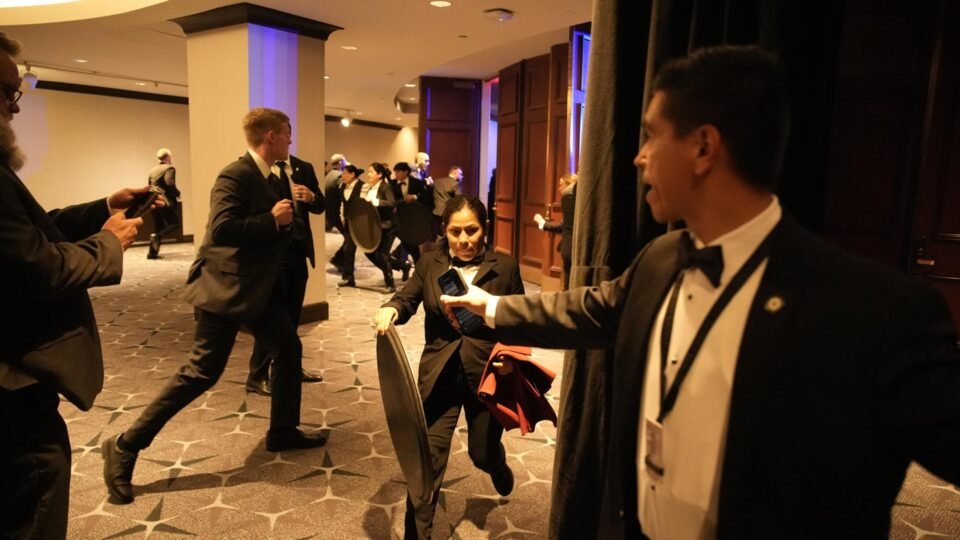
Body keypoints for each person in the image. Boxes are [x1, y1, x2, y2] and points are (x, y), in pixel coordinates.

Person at [441, 45, 960, 538]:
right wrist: (493, 306)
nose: (638, 158)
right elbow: (595, 309)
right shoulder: (661, 258)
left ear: (704, 148)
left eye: (651, 136)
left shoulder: (876, 313)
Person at [102, 107, 327, 506]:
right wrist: (270, 219)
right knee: (200, 373)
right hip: (225, 288)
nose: (291, 141)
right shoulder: (235, 174)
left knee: (289, 349)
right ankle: (124, 445)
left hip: (259, 289)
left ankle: (282, 430)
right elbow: (222, 229)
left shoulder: (274, 175)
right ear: (271, 136)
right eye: (287, 134)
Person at [0, 31, 146, 539]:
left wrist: (102, 208)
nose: (15, 107)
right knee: (35, 497)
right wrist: (109, 243)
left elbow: (29, 230)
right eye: (7, 92)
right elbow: (35, 265)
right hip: (11, 387)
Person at [376, 195, 524, 540]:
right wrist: (391, 308)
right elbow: (407, 298)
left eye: (472, 230)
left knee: (481, 452)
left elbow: (518, 321)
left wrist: (510, 359)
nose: (464, 240)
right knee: (426, 462)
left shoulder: (506, 268)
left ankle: (496, 464)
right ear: (444, 230)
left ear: (485, 229)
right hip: (440, 374)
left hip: (486, 375)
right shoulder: (430, 263)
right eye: (455, 231)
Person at [245, 154, 326, 396]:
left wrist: (312, 197)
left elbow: (321, 205)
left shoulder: (303, 167)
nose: (289, 140)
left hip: (298, 250)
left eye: (290, 136)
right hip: (272, 253)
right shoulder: (257, 168)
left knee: (292, 314)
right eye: (285, 136)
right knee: (273, 317)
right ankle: (257, 375)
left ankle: (291, 366)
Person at [534, 173, 578, 289]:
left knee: (568, 286)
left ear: (569, 184)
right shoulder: (576, 199)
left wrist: (542, 223)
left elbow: (565, 227)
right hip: (574, 249)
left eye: (561, 185)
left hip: (570, 249)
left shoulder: (569, 198)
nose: (559, 189)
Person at [390, 161, 431, 280]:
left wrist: (415, 197)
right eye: (395, 172)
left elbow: (427, 197)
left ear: (406, 172)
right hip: (399, 218)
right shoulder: (392, 184)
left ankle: (412, 268)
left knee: (410, 242)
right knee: (408, 242)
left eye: (398, 171)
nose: (396, 174)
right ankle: (412, 267)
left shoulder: (417, 183)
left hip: (413, 218)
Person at [362, 162, 398, 292]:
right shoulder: (370, 188)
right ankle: (402, 266)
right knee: (370, 251)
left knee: (383, 254)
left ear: (379, 174)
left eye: (371, 172)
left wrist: (376, 202)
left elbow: (392, 203)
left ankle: (390, 285)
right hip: (375, 226)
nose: (368, 174)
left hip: (388, 226)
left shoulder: (385, 187)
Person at [146, 148, 181, 259]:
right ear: (168, 157)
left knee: (158, 226)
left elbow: (149, 185)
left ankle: (152, 253)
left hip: (152, 200)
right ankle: (157, 236)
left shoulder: (152, 170)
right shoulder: (169, 168)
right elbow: (169, 183)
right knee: (174, 224)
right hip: (163, 200)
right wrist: (177, 193)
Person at [336, 164, 363, 287]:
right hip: (348, 222)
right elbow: (342, 203)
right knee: (348, 249)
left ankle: (400, 266)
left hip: (359, 222)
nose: (342, 176)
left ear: (352, 174)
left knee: (375, 254)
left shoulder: (362, 186)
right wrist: (342, 216)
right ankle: (348, 278)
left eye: (345, 173)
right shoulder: (342, 186)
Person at [431, 165, 463, 238]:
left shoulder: (437, 181)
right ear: (455, 173)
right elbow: (460, 199)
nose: (462, 176)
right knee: (449, 234)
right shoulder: (455, 183)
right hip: (448, 213)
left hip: (436, 213)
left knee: (439, 235)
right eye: (460, 174)